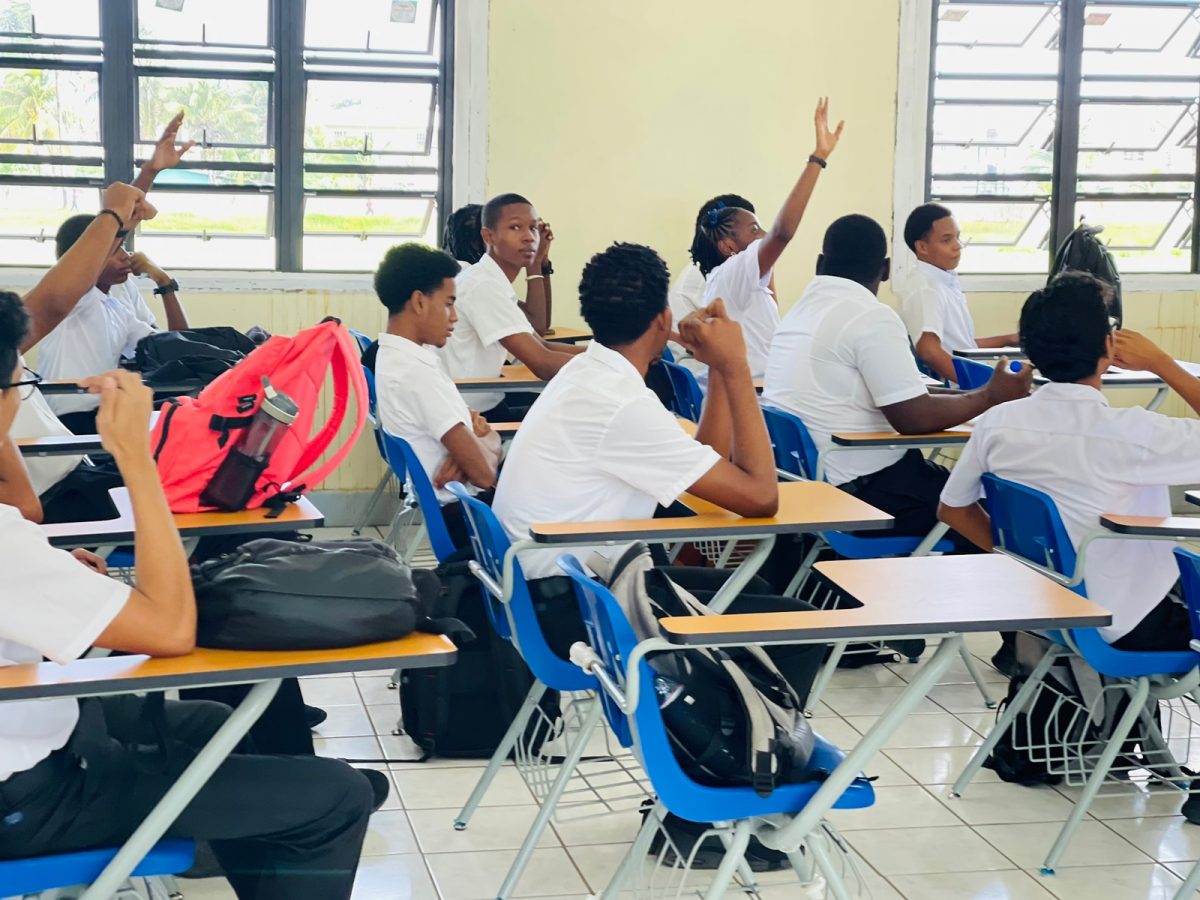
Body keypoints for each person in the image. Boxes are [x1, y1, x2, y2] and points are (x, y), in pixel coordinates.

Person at [0, 290, 384, 899]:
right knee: (339, 798)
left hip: (33, 739)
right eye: (17, 391)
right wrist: (137, 461)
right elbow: (171, 632)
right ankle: (284, 818)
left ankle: (243, 831)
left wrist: (46, 574)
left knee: (209, 721)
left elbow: (21, 513)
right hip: (30, 798)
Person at [492, 241, 825, 705]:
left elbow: (703, 461)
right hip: (579, 608)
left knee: (753, 587)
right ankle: (746, 761)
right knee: (801, 629)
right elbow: (761, 496)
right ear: (663, 318)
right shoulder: (622, 403)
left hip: (548, 592)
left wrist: (717, 369)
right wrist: (735, 365)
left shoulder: (588, 372)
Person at [939, 272, 1200, 653]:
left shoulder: (998, 422)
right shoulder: (1132, 433)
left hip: (1040, 606)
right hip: (1126, 621)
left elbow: (953, 509)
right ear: (1108, 346)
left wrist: (1023, 563)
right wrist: (1161, 362)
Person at [761, 213, 1031, 548]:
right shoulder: (870, 316)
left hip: (808, 484)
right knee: (995, 513)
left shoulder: (798, 313)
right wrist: (990, 396)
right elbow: (912, 418)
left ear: (820, 263)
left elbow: (897, 390)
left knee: (959, 490)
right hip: (864, 493)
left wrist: (975, 394)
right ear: (885, 270)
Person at [31, 113, 196, 435]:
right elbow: (107, 232)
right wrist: (147, 174)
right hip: (67, 418)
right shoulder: (77, 302)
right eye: (116, 251)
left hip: (101, 414)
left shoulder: (117, 308)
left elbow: (177, 346)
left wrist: (164, 283)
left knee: (187, 407)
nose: (125, 256)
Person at [690, 99, 843, 379]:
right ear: (728, 248)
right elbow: (782, 233)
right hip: (757, 396)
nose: (763, 236)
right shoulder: (733, 273)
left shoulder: (736, 279)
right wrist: (818, 158)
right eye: (754, 230)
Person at [374, 242, 501, 551]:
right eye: (449, 303)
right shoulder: (418, 375)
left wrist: (470, 449)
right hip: (475, 521)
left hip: (458, 510)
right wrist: (489, 440)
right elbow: (485, 475)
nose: (454, 317)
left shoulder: (395, 358)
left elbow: (473, 453)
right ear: (419, 302)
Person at [439, 193, 582, 421]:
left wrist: (611, 354)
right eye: (515, 228)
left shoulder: (490, 280)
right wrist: (618, 363)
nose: (528, 237)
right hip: (472, 417)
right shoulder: (482, 286)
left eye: (534, 228)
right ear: (489, 236)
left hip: (476, 406)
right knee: (581, 415)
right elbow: (543, 363)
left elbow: (542, 343)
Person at [898, 203, 1019, 383]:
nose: (957, 246)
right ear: (922, 247)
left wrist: (1008, 339)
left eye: (958, 237)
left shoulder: (943, 282)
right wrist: (981, 389)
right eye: (947, 240)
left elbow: (962, 346)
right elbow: (929, 351)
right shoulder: (927, 289)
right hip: (956, 393)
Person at [442, 201, 557, 337]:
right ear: (487, 237)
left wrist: (543, 264)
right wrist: (534, 263)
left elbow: (540, 322)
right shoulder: (472, 278)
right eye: (514, 228)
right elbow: (536, 326)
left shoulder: (484, 275)